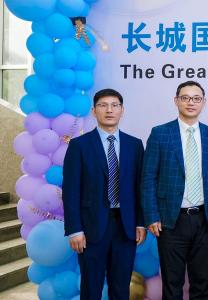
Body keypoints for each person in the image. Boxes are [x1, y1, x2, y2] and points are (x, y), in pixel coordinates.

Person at [141, 80, 208, 299]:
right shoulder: (160, 133)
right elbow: (148, 178)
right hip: (170, 220)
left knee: (202, 282)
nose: (190, 102)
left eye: (196, 98)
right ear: (176, 101)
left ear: (204, 102)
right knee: (172, 282)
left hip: (204, 219)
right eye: (185, 98)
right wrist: (152, 215)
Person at [63, 88, 146, 300]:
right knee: (91, 287)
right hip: (91, 228)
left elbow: (140, 187)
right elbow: (71, 190)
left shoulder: (135, 145)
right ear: (94, 111)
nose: (109, 110)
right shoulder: (79, 145)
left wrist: (140, 223)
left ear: (122, 110)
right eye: (103, 105)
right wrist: (74, 229)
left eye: (114, 105)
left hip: (126, 227)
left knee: (121, 287)